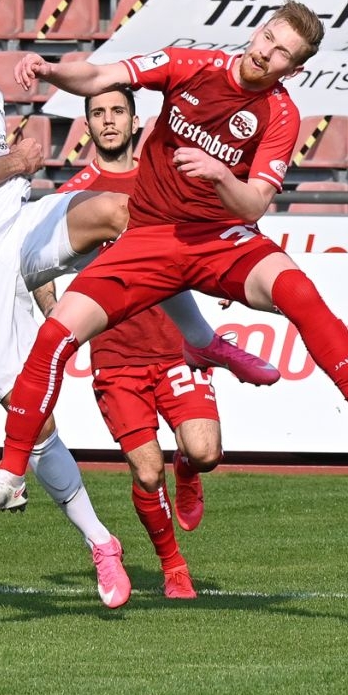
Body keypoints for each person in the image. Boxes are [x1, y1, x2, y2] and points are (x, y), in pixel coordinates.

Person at [0, 0, 277, 608]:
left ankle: (203, 342)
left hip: (15, 229)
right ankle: (101, 542)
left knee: (125, 212)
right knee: (33, 417)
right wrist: (20, 161)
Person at [0, 0, 348, 525]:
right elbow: (101, 76)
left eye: (282, 54)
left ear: (294, 69)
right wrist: (50, 71)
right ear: (258, 31)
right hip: (150, 237)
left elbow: (254, 205)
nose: (266, 53)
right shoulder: (192, 64)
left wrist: (219, 174)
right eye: (268, 38)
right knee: (55, 336)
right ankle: (11, 475)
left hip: (219, 238)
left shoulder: (281, 114)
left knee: (299, 293)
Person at [59, 86, 223, 600]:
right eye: (98, 113)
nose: (108, 120)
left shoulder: (165, 177)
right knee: (147, 473)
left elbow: (213, 229)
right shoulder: (74, 196)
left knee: (206, 451)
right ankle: (173, 566)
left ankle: (189, 469)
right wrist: (56, 323)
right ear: (88, 125)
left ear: (135, 122)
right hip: (116, 355)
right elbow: (43, 266)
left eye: (117, 111)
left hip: (175, 345)